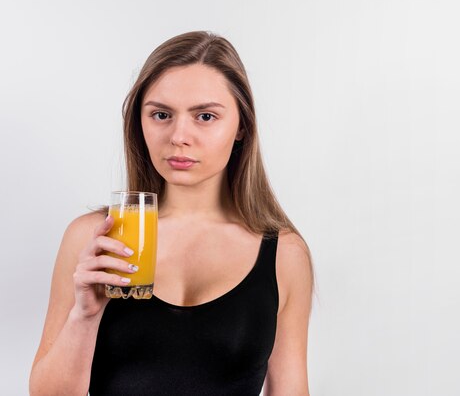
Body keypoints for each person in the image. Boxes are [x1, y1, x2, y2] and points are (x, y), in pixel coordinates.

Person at [29, 31, 315, 396]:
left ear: (242, 125)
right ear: (140, 122)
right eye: (161, 114)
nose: (179, 136)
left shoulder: (284, 254)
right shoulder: (94, 237)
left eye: (206, 116)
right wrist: (84, 316)